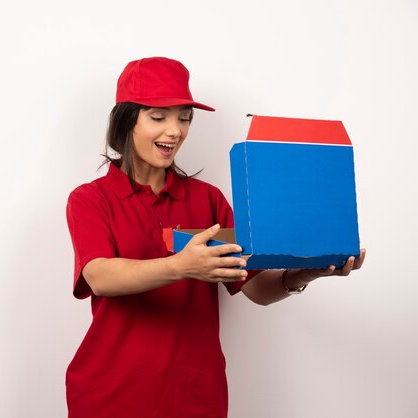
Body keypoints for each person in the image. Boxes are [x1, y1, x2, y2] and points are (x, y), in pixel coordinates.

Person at [65, 57, 366, 418]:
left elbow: (252, 286)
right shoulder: (90, 200)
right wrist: (180, 266)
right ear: (127, 120)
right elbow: (99, 276)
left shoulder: (208, 200)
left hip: (194, 395)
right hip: (111, 395)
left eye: (184, 117)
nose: (175, 130)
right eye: (158, 117)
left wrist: (304, 274)